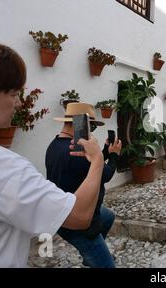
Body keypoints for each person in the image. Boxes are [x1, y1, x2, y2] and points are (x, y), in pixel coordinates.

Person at [0, 44, 104, 268]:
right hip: (70, 221)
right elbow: (80, 214)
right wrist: (101, 160)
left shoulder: (53, 145)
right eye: (15, 94)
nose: (18, 103)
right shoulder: (7, 168)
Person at [45, 103, 122, 268]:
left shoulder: (55, 145)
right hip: (80, 224)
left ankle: (90, 258)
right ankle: (93, 253)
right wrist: (114, 156)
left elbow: (91, 163)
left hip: (63, 212)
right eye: (91, 126)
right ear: (80, 125)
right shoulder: (75, 152)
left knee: (107, 216)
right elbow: (106, 174)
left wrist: (105, 152)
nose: (91, 131)